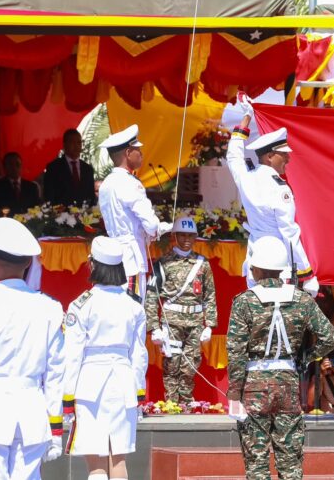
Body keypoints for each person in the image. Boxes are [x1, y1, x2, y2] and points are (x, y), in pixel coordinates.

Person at [227, 236, 334, 480]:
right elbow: (330, 337)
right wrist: (305, 358)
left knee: (257, 461)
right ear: (282, 270)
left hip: (254, 384)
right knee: (290, 460)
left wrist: (234, 393)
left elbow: (236, 352)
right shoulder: (301, 299)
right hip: (288, 382)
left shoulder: (244, 301)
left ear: (255, 269)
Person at [0, 217, 65, 479]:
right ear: (28, 263)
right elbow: (55, 372)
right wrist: (55, 426)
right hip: (32, 409)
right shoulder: (50, 307)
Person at [62, 236, 148, 480]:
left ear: (92, 264)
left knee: (96, 462)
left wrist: (67, 396)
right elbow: (139, 354)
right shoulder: (134, 305)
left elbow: (72, 355)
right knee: (118, 458)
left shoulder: (81, 305)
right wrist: (138, 390)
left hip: (90, 384)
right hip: (124, 382)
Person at [226, 97, 319, 296]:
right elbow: (289, 233)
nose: (288, 158)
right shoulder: (279, 188)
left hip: (255, 259)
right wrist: (307, 274)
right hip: (278, 265)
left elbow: (233, 155)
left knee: (256, 310)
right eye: (283, 154)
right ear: (269, 157)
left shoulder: (246, 177)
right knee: (277, 314)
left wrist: (247, 117)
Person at [145, 216, 216, 404]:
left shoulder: (202, 263)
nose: (187, 239)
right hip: (172, 322)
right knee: (172, 364)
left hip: (195, 322)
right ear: (174, 236)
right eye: (182, 235)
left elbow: (210, 296)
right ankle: (171, 404)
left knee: (191, 365)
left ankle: (185, 402)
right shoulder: (163, 263)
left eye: (190, 236)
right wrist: (154, 327)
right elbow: (152, 295)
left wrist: (209, 325)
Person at [98, 124, 171, 302]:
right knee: (133, 308)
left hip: (112, 256)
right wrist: (163, 228)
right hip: (131, 258)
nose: (141, 154)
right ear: (128, 152)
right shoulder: (130, 183)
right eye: (138, 149)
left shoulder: (106, 183)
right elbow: (151, 225)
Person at [43, 128, 97, 206]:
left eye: (79, 142)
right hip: (61, 212)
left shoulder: (88, 169)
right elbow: (49, 196)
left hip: (84, 212)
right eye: (72, 142)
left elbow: (91, 196)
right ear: (64, 145)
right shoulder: (54, 167)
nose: (76, 146)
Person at [0, 152, 41, 217]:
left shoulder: (31, 187)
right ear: (4, 167)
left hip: (28, 221)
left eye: (17, 164)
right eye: (10, 164)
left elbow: (36, 208)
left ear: (21, 166)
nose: (14, 168)